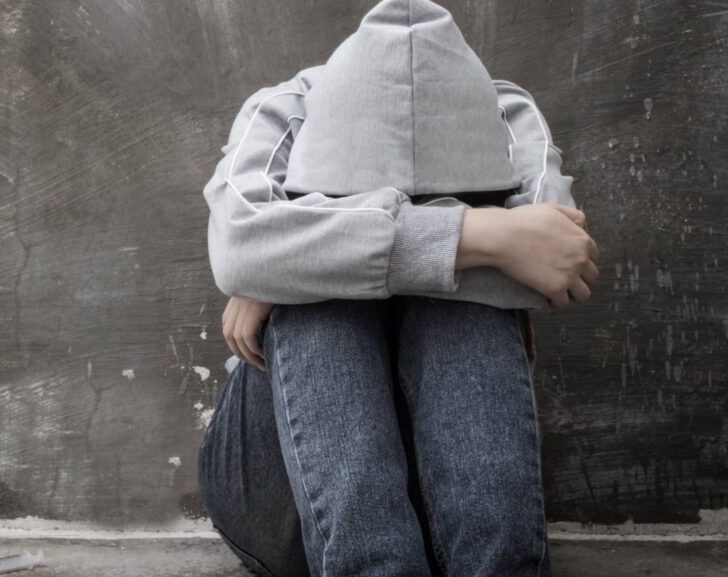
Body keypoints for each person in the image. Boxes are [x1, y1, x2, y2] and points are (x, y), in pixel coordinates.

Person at [196, 1, 600, 576]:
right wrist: (485, 230)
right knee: (323, 312)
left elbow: (562, 264)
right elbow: (239, 245)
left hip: (448, 513)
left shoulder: (504, 108)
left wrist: (297, 254)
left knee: (455, 309)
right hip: (281, 501)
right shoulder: (285, 106)